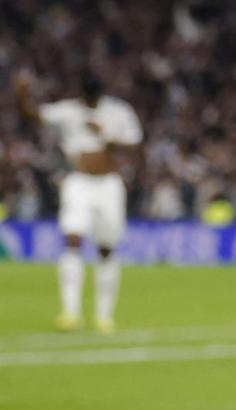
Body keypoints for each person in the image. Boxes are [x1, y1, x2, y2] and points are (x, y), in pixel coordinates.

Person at [12, 70, 143, 333]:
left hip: (108, 184)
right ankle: (70, 312)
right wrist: (22, 93)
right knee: (72, 240)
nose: (89, 100)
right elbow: (34, 115)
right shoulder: (70, 111)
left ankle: (104, 316)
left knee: (106, 248)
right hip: (79, 182)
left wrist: (105, 135)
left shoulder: (118, 111)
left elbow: (134, 145)